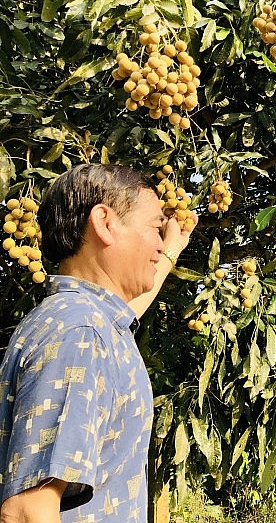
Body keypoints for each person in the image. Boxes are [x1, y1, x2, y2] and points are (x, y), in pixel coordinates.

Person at [0, 164, 197, 522]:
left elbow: (128, 312)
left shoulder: (89, 323)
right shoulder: (80, 333)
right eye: (155, 228)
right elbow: (29, 510)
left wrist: (171, 249)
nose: (158, 242)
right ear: (106, 223)